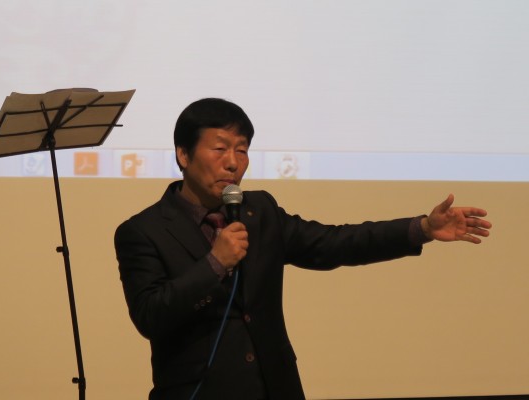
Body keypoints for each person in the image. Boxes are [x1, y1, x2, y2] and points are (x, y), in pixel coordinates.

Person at [114, 98, 491, 400]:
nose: (233, 162)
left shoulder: (259, 211)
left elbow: (335, 243)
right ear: (183, 155)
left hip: (276, 389)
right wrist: (214, 263)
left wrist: (422, 228)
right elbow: (150, 316)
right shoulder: (142, 231)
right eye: (220, 148)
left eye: (242, 150)